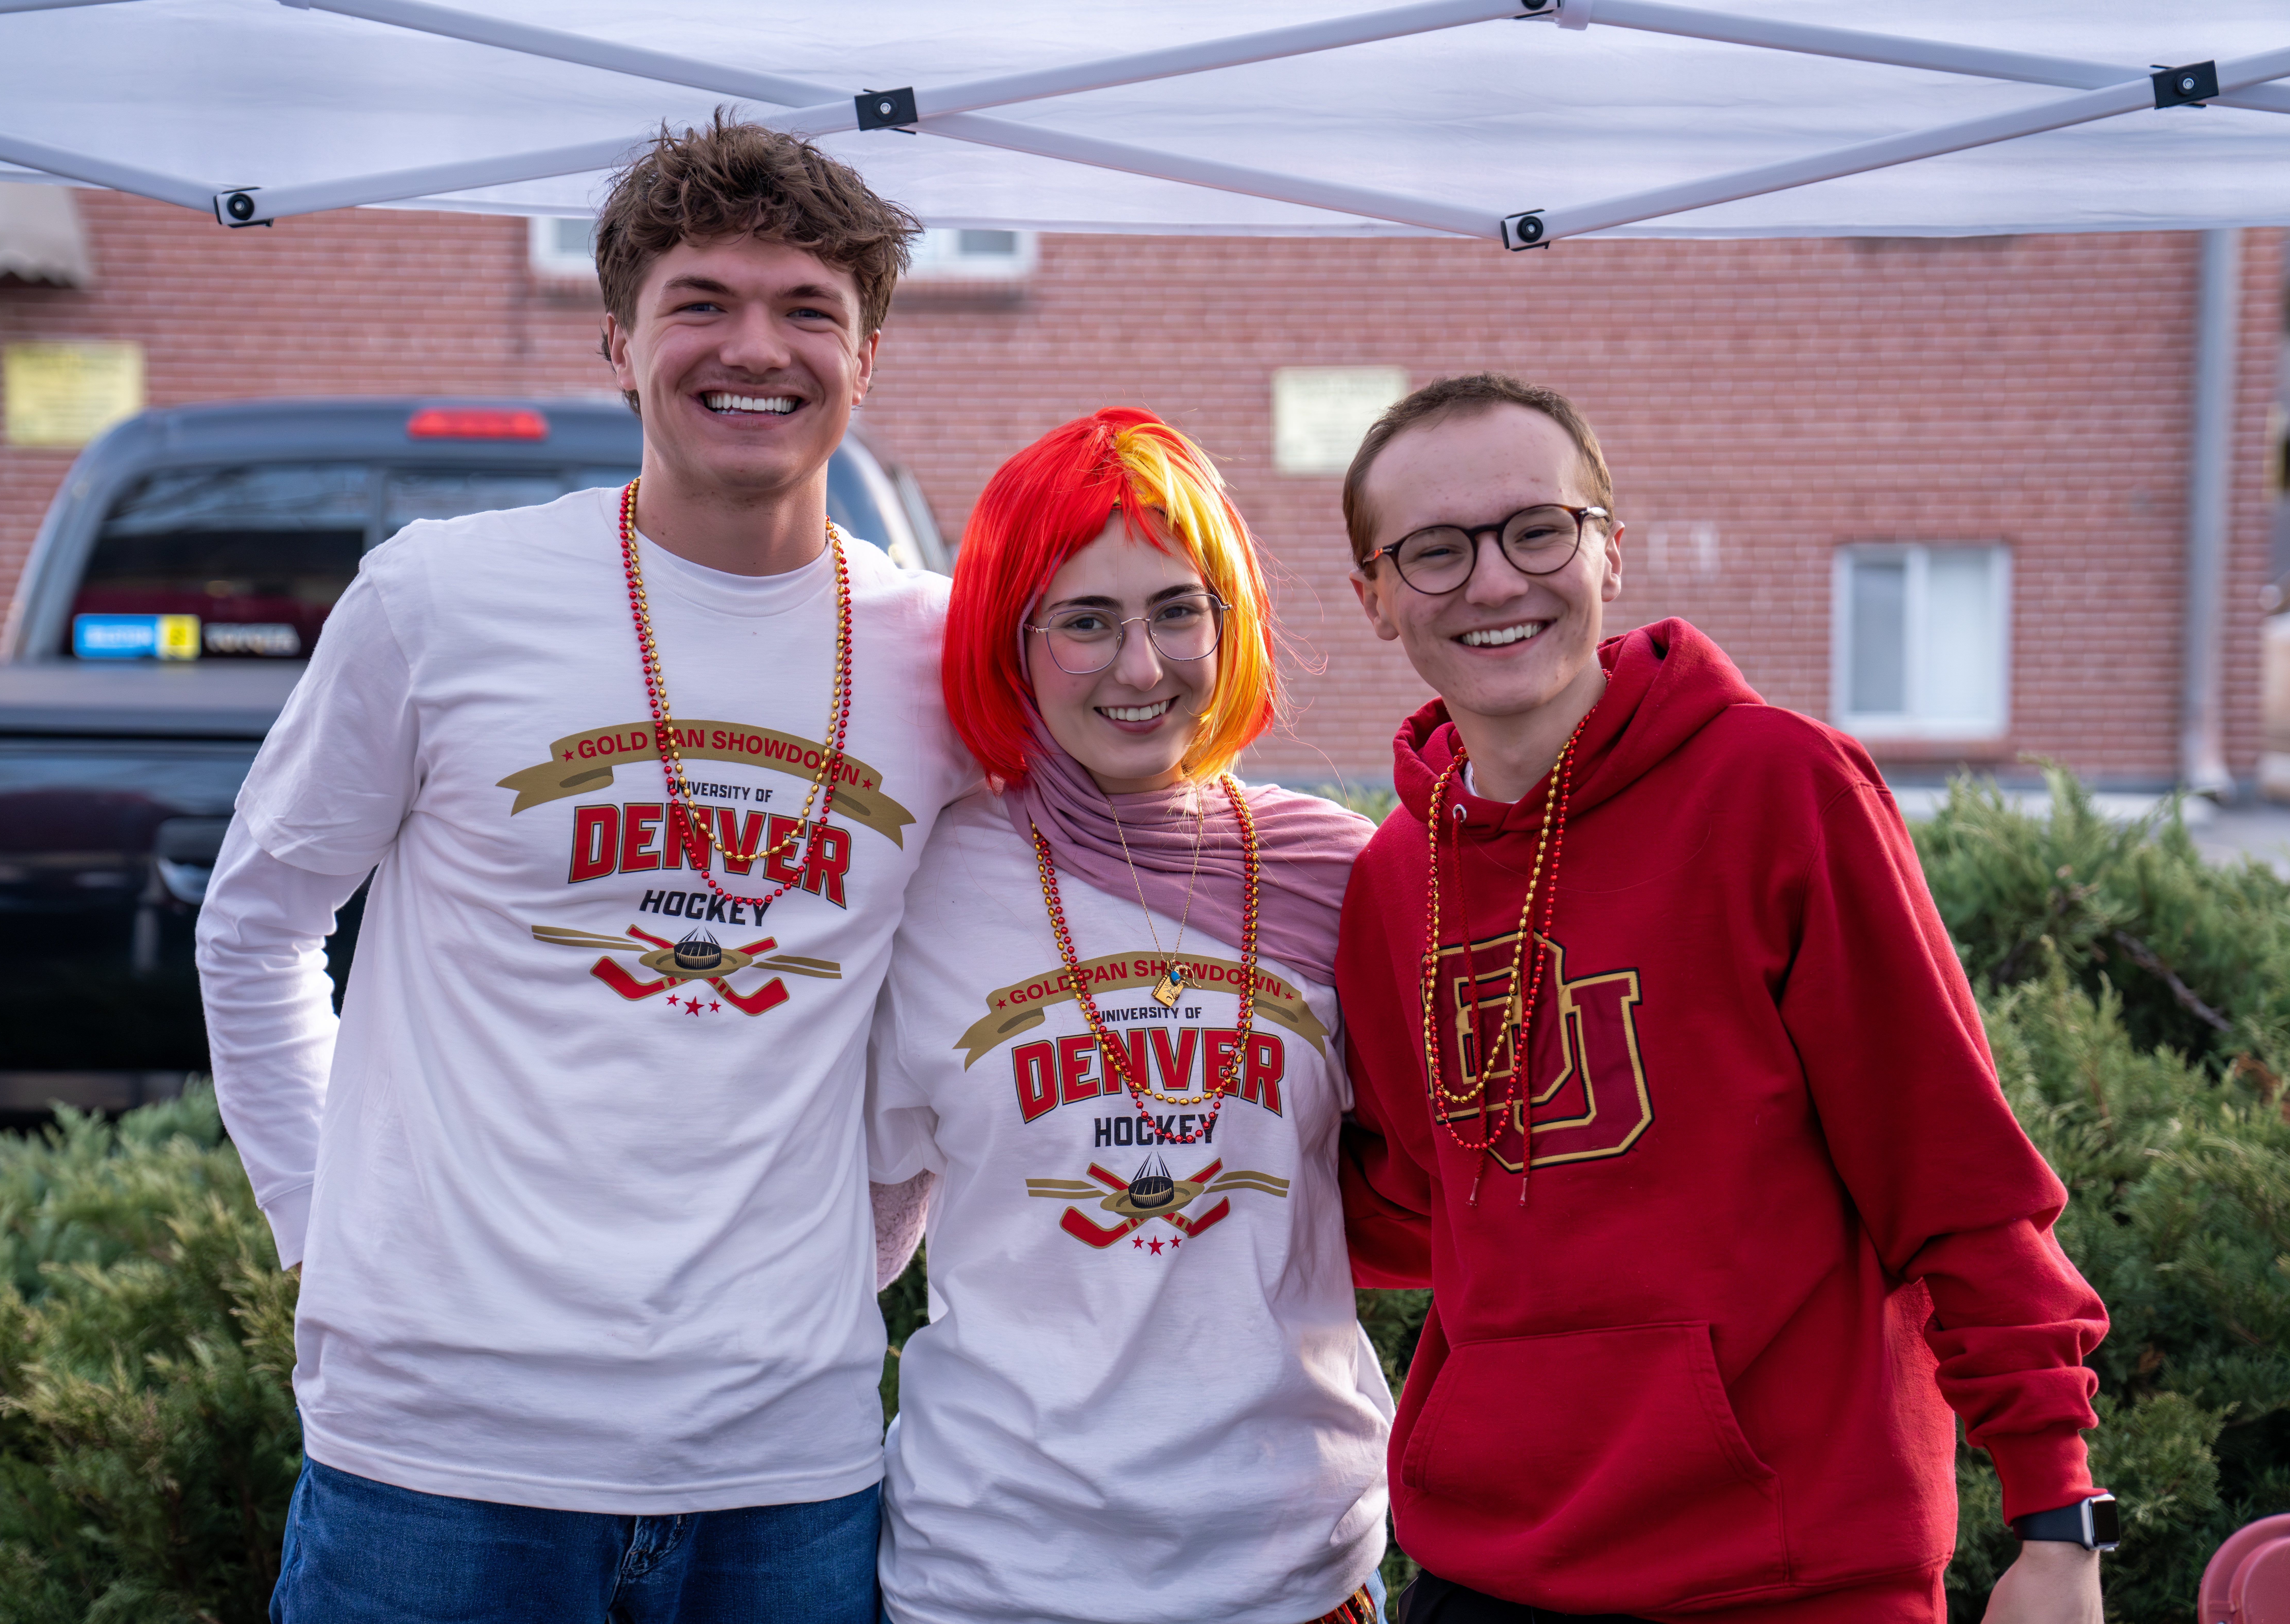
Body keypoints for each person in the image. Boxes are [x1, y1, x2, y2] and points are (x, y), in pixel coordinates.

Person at [194, 116, 979, 1621]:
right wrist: (327, 1226)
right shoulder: (440, 599)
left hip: (786, 1467)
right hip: (437, 1468)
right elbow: (258, 926)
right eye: (704, 303)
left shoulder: (947, 654)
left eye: (809, 309)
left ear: (866, 361)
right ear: (621, 341)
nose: (756, 347)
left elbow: (961, 990)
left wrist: (864, 1251)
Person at [1334, 373, 2112, 1624]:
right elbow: (1418, 1208)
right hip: (1483, 1572)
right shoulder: (1391, 879)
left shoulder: (1781, 792)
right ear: (1374, 597)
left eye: (1538, 530)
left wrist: (2058, 1522)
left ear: (1611, 552)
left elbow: (1955, 1179)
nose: (1493, 582)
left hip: (1791, 1573)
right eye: (1434, 551)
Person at [864, 409, 1392, 1624]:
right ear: (1011, 642)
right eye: (1087, 621)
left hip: (1291, 1571)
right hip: (994, 1575)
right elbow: (860, 1234)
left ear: (1232, 620)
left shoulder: (1339, 876)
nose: (1141, 668)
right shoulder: (926, 884)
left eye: (1175, 610)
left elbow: (1424, 1190)